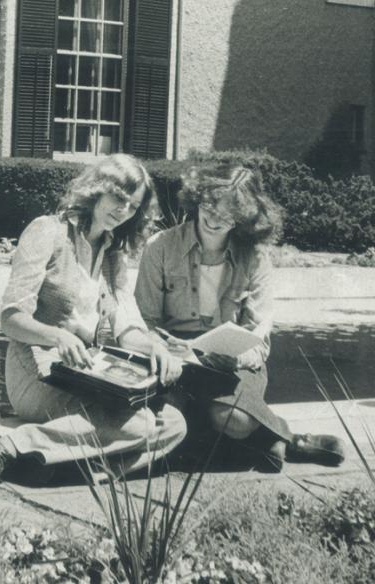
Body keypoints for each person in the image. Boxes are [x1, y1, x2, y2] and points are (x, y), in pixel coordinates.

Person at [0, 154, 187, 488]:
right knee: (137, 425)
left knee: (174, 423)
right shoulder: (47, 231)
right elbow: (10, 318)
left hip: (89, 374)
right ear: (97, 190)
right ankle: (8, 446)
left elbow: (127, 325)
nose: (124, 210)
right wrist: (58, 337)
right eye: (118, 198)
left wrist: (155, 348)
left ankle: (73, 469)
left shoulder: (113, 251)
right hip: (38, 368)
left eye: (133, 205)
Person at [134, 161, 345, 471]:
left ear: (244, 219)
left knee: (234, 420)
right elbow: (144, 322)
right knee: (162, 423)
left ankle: (252, 441)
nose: (213, 219)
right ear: (197, 198)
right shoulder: (161, 247)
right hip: (176, 359)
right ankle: (282, 442)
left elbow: (258, 338)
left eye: (226, 214)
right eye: (209, 206)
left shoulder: (256, 258)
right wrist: (163, 350)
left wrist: (239, 359)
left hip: (230, 362)